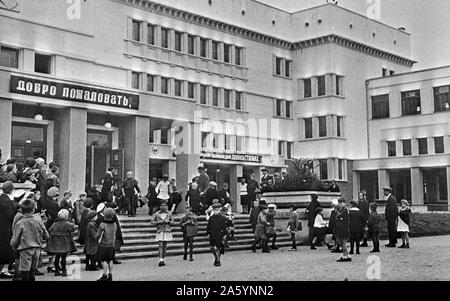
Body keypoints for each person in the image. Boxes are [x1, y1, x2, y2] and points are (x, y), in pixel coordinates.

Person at [10, 197, 49, 281]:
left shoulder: (20, 223)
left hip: (25, 248)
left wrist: (14, 246)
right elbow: (46, 235)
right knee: (32, 270)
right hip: (37, 248)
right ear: (33, 209)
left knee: (25, 270)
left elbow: (15, 239)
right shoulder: (38, 221)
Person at [45, 209, 77, 276]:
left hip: (56, 243)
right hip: (65, 242)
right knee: (63, 257)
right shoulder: (67, 224)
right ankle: (64, 271)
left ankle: (57, 270)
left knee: (57, 256)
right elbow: (72, 229)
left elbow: (50, 230)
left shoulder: (54, 224)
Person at [96, 208, 117, 281]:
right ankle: (110, 274)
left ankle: (105, 274)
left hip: (104, 244)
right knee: (110, 260)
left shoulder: (102, 224)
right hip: (111, 244)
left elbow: (98, 234)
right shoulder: (114, 224)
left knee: (104, 260)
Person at [0, 181, 16, 279]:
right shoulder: (8, 202)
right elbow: (11, 216)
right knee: (6, 249)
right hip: (6, 228)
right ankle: (4, 270)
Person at [151, 202, 174, 267]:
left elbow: (173, 221)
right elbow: (152, 221)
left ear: (166, 206)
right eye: (162, 205)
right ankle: (160, 259)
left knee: (165, 246)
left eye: (164, 205)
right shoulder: (157, 213)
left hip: (166, 230)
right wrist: (158, 222)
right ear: (160, 206)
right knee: (160, 245)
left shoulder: (169, 213)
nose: (163, 207)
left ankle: (163, 259)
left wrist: (168, 222)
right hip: (160, 230)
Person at [206, 203, 227, 267]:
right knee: (212, 247)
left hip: (219, 234)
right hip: (212, 234)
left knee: (218, 248)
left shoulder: (222, 218)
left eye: (217, 210)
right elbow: (208, 226)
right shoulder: (211, 218)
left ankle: (218, 260)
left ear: (219, 210)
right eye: (215, 210)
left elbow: (224, 227)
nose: (216, 211)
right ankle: (216, 257)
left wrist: (224, 235)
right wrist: (208, 233)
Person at [335, 197, 351, 262]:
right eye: (339, 203)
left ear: (344, 203)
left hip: (343, 229)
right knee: (342, 242)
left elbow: (339, 217)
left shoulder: (344, 210)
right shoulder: (341, 210)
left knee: (343, 242)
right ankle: (346, 254)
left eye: (341, 203)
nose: (340, 204)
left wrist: (338, 216)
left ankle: (345, 255)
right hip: (340, 228)